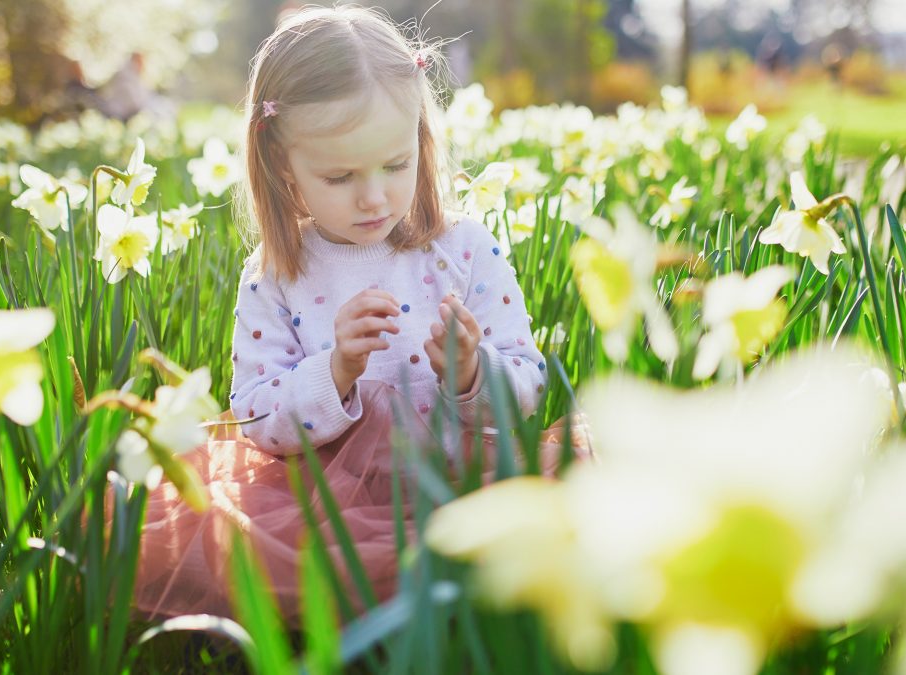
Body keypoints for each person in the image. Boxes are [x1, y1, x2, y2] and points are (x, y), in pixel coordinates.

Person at [130, 4, 587, 624]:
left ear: (420, 143)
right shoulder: (278, 274)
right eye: (340, 175)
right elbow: (259, 415)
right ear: (282, 167)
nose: (375, 196)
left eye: (396, 165)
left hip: (460, 483)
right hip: (325, 509)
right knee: (240, 545)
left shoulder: (465, 249)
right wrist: (336, 369)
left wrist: (472, 374)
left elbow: (528, 385)